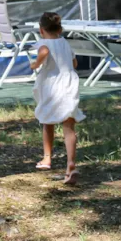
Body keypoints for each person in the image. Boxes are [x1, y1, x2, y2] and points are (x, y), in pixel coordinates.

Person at [30, 12, 85, 184]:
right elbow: (75, 64)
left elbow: (45, 51)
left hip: (51, 85)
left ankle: (47, 158)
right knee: (69, 126)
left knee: (48, 122)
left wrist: (36, 63)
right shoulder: (65, 43)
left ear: (41, 30)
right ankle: (71, 164)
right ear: (60, 29)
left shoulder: (43, 43)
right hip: (69, 84)